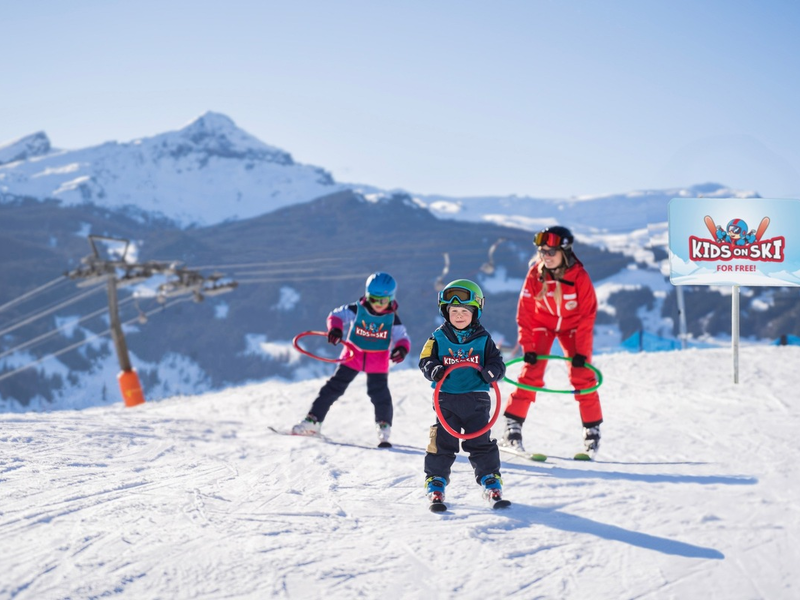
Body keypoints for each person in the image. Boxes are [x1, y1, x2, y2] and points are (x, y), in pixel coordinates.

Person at [501, 226, 603, 457]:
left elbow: (588, 315)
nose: (545, 256)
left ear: (564, 252)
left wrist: (582, 353)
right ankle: (512, 429)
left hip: (573, 328)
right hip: (542, 326)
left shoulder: (579, 277)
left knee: (582, 375)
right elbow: (525, 312)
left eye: (550, 252)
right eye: (542, 251)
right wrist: (528, 346)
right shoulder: (535, 274)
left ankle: (592, 432)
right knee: (531, 372)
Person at [291, 272, 411, 445]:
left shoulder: (392, 319)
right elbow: (336, 316)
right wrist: (336, 329)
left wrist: (401, 349)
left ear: (391, 299)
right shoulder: (357, 309)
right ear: (367, 295)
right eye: (373, 299)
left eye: (383, 301)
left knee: (380, 395)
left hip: (377, 362)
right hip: (352, 358)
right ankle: (313, 421)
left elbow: (402, 338)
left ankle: (384, 426)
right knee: (333, 388)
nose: (377, 305)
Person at [419, 279, 507, 506]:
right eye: (454, 311)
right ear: (445, 312)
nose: (459, 315)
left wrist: (491, 372)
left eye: (464, 311)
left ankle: (490, 480)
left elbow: (498, 364)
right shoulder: (437, 337)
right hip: (446, 399)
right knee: (442, 441)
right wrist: (434, 369)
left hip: (476, 400)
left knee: (480, 441)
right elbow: (425, 360)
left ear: (475, 312)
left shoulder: (484, 339)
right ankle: (436, 481)